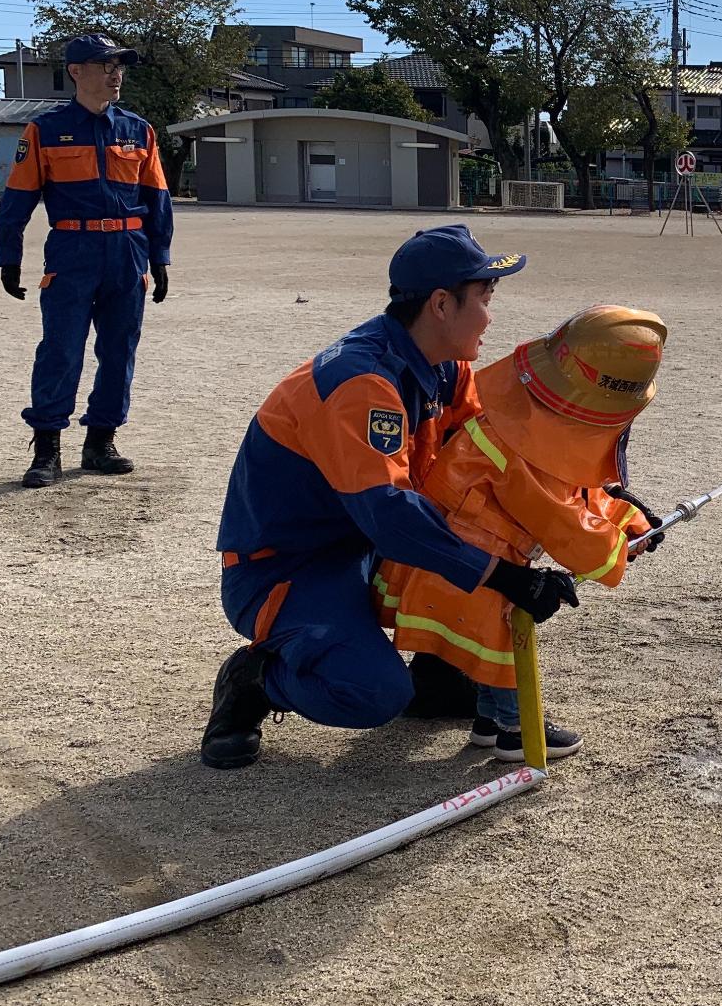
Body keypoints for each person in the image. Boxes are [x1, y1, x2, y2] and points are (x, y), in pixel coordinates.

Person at [200, 224, 575, 770]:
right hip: (285, 570)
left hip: (364, 547)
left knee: (480, 534)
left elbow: (489, 465)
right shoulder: (362, 383)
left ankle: (439, 674)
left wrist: (600, 507)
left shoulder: (446, 365)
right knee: (374, 692)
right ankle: (255, 681)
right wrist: (505, 577)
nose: (491, 316)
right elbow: (391, 515)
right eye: (485, 300)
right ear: (442, 304)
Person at [376, 305, 668, 762]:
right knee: (502, 646)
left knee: (490, 648)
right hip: (470, 558)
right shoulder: (524, 448)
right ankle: (516, 728)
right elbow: (560, 517)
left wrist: (628, 519)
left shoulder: (522, 417)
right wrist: (614, 546)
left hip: (463, 550)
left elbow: (573, 488)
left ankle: (490, 721)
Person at [0, 33, 174, 487]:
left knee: (119, 351)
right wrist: (8, 256)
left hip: (127, 254)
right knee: (60, 350)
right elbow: (18, 197)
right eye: (105, 65)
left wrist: (161, 256)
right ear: (76, 72)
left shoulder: (138, 130)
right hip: (72, 252)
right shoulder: (45, 130)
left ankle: (101, 443)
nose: (116, 74)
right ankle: (47, 450)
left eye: (119, 66)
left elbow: (156, 198)